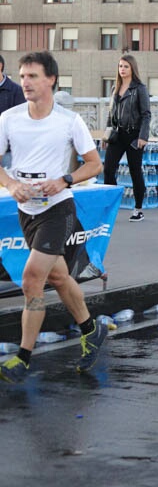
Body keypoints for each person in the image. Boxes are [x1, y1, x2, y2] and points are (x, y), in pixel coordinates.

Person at [0, 52, 109, 382]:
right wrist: (12, 184)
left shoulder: (68, 121)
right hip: (26, 212)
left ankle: (23, 357)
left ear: (51, 80)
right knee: (60, 278)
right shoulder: (9, 118)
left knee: (33, 278)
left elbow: (94, 164)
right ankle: (92, 330)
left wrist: (64, 179)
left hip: (58, 209)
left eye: (32, 76)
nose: (25, 82)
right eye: (22, 76)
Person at [102, 55, 152, 222]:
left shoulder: (139, 88)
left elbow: (146, 114)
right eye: (120, 66)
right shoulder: (115, 88)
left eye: (125, 66)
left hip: (134, 135)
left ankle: (138, 209)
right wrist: (106, 135)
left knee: (135, 172)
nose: (122, 69)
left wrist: (143, 136)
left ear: (132, 69)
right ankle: (111, 207)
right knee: (108, 169)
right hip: (117, 135)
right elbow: (111, 114)